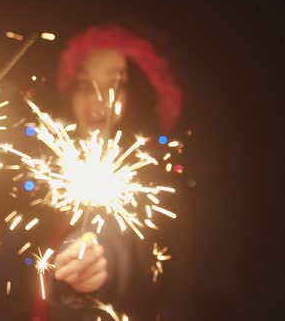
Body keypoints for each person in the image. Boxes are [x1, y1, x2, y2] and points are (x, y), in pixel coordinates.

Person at [41, 24, 185, 321]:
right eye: (84, 85)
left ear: (142, 93)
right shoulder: (45, 164)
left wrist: (96, 266)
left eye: (115, 84)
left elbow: (124, 241)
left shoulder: (156, 178)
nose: (97, 100)